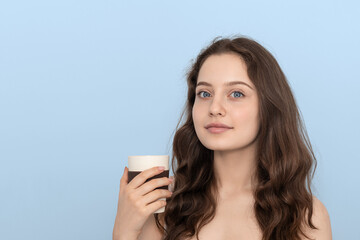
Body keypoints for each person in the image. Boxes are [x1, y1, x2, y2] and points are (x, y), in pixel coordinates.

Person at [113, 36, 332, 240]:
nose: (214, 108)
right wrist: (124, 229)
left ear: (269, 107)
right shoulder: (163, 209)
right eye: (204, 94)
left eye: (236, 94)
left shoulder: (306, 216)